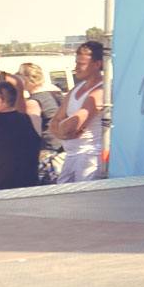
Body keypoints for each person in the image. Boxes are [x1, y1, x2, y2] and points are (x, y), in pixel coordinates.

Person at [47, 41, 106, 184]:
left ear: (97, 64)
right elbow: (53, 124)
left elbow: (72, 125)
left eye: (81, 64)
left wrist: (65, 129)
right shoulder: (76, 88)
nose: (76, 68)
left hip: (90, 157)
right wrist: (65, 133)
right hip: (71, 154)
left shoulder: (101, 90)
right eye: (76, 63)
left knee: (85, 197)